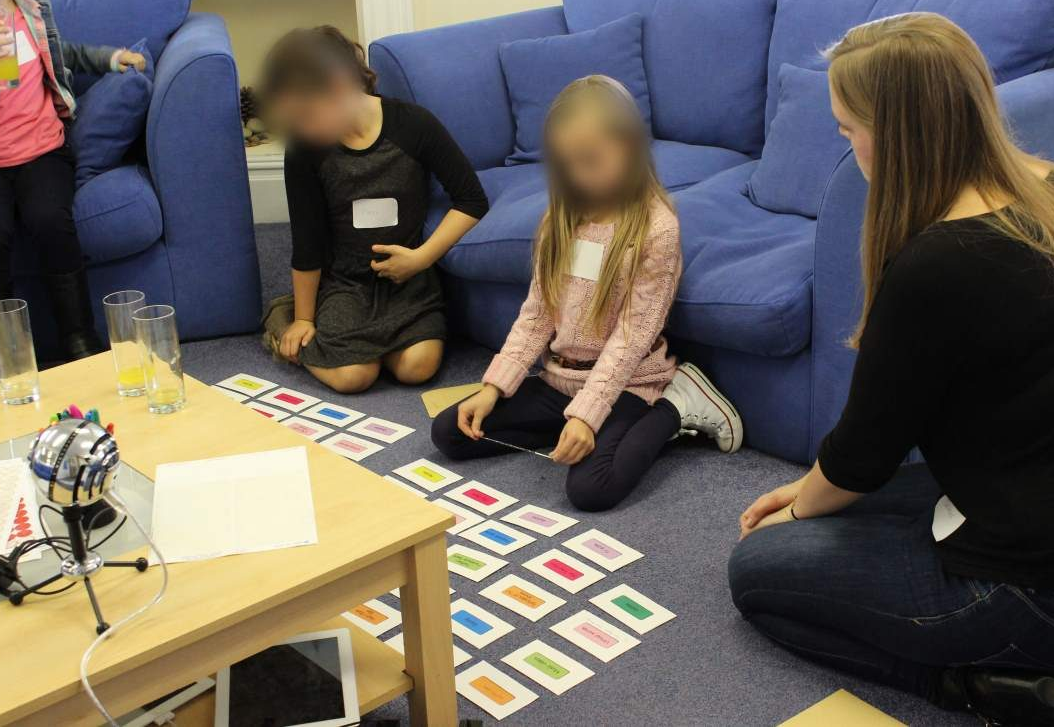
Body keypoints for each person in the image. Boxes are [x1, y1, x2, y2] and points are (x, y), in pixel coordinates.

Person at [727, 12, 1054, 726]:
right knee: (851, 515)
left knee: (757, 572)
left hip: (1048, 597)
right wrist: (811, 486)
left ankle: (986, 688)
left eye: (847, 127)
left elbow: (862, 455)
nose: (844, 143)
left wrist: (798, 508)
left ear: (896, 135)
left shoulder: (936, 265)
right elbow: (874, 453)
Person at [431, 75, 742, 512]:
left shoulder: (657, 228)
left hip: (628, 383)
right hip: (560, 381)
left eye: (591, 161)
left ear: (630, 147)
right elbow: (537, 314)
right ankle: (572, 428)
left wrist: (588, 413)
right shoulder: (559, 218)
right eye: (567, 164)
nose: (579, 175)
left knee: (591, 489)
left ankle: (676, 406)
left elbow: (632, 336)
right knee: (450, 431)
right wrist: (494, 387)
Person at [259, 26, 488, 393]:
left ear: (339, 87)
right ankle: (282, 317)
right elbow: (307, 241)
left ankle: (365, 345)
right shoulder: (305, 150)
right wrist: (304, 319)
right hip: (345, 284)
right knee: (354, 377)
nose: (301, 129)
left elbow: (472, 199)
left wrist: (421, 258)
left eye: (306, 116)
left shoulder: (414, 124)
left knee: (418, 367)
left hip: (408, 281)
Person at [0, 0, 146, 384]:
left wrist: (113, 58)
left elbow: (64, 53)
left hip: (42, 149)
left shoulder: (32, 3)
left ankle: (78, 335)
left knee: (49, 220)